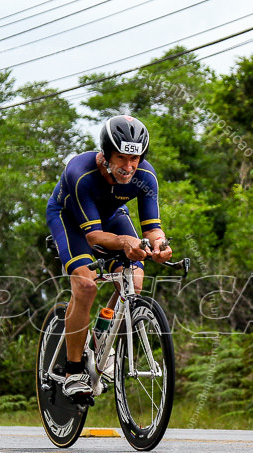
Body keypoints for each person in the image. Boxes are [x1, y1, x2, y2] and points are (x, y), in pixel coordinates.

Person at [45, 115, 172, 397]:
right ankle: (73, 369)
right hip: (70, 220)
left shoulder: (145, 176)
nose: (129, 167)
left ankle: (103, 332)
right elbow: (93, 238)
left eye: (135, 158)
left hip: (113, 216)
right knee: (86, 285)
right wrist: (127, 241)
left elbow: (152, 228)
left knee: (134, 281)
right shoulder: (81, 172)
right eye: (122, 158)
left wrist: (161, 245)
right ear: (105, 154)